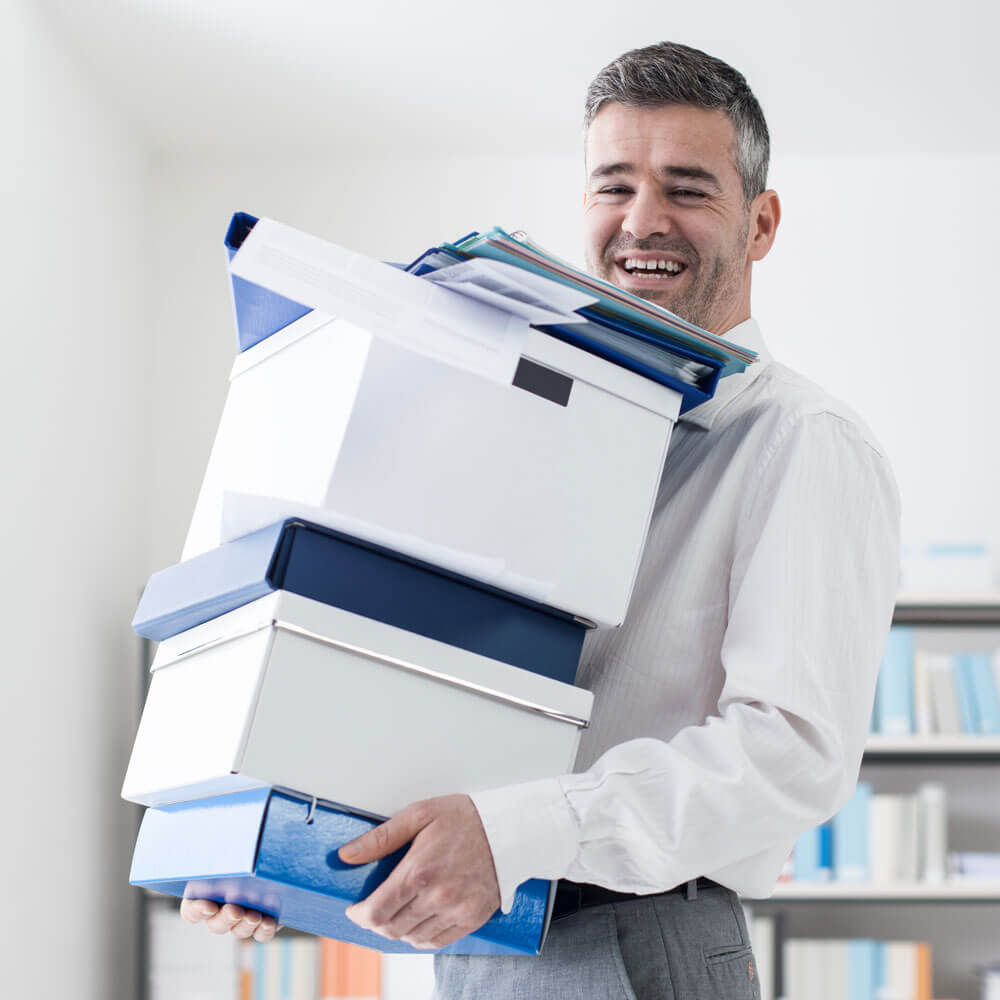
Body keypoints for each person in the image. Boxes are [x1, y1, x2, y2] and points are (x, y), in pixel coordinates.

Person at [181, 41, 901, 999]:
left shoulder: (804, 439)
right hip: (485, 935)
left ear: (760, 223)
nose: (643, 222)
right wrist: (276, 839)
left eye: (688, 188)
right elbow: (447, 681)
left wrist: (514, 832)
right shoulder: (548, 426)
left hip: (633, 938)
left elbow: (790, 754)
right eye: (614, 187)